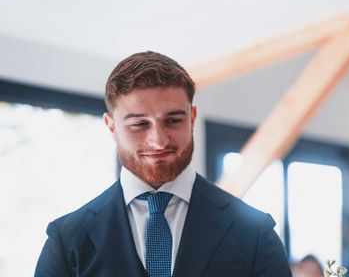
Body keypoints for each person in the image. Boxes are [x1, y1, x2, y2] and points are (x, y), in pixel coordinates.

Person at [35, 51, 291, 277]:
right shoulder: (66, 240)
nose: (158, 141)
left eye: (173, 121)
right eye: (139, 124)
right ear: (111, 127)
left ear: (191, 118)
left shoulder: (256, 234)